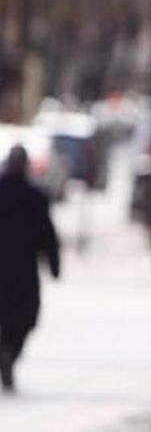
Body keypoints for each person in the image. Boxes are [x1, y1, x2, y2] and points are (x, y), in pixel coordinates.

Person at [0, 145, 60, 393]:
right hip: (24, 271)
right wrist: (54, 264)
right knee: (24, 319)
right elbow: (48, 235)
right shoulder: (36, 196)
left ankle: (5, 354)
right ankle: (10, 354)